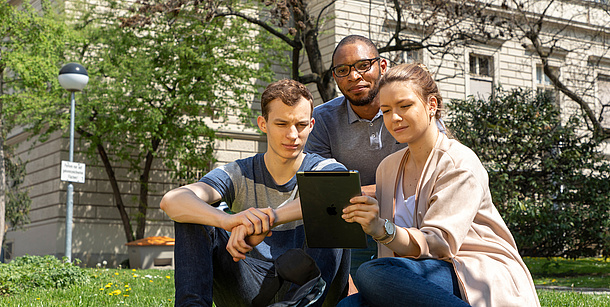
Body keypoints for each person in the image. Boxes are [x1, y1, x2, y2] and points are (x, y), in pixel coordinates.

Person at [337, 63, 540, 306]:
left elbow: (438, 245)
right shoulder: (388, 168)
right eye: (387, 110)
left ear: (431, 105)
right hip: (416, 274)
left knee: (371, 272)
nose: (395, 118)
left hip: (471, 272)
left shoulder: (458, 163)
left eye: (405, 106)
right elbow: (391, 256)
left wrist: (382, 229)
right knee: (349, 304)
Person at [160, 79, 350, 307]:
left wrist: (267, 220)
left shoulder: (323, 168)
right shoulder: (239, 172)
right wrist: (229, 221)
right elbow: (172, 200)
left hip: (312, 285)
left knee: (334, 210)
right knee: (193, 214)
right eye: (281, 124)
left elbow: (339, 194)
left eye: (300, 125)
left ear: (311, 125)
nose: (292, 134)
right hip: (251, 283)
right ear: (263, 123)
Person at [304, 35, 409, 274]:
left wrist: (356, 191)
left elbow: (430, 176)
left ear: (381, 66)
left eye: (363, 65)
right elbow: (323, 187)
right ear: (335, 77)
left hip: (410, 221)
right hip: (350, 226)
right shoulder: (321, 119)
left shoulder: (410, 108)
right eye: (343, 70)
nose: (354, 76)